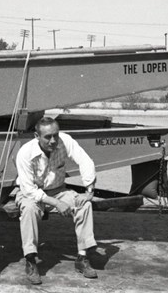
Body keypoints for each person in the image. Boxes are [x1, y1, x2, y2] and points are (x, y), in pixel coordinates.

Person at [15, 116, 98, 285]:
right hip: (30, 194)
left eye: (56, 135)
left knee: (85, 205)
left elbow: (86, 161)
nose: (53, 141)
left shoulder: (65, 141)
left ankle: (82, 257)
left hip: (59, 190)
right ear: (36, 136)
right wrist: (56, 203)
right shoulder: (25, 153)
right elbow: (29, 190)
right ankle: (31, 260)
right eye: (47, 137)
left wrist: (89, 191)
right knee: (29, 210)